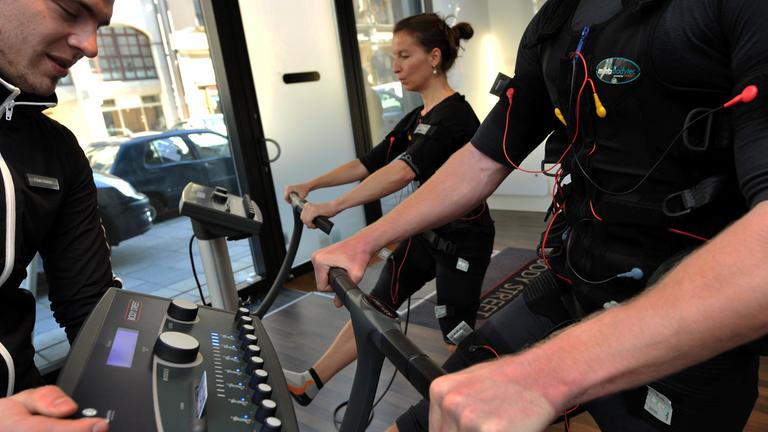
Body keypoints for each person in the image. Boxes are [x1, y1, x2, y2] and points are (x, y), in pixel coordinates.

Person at [311, 0, 768, 430]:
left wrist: (549, 372)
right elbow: (483, 158)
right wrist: (365, 240)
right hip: (573, 282)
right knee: (433, 411)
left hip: (683, 316)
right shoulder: (555, 22)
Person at [282, 13, 495, 407]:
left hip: (463, 240)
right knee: (375, 306)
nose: (395, 66)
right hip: (426, 231)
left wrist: (334, 205)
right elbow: (371, 161)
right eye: (394, 56)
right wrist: (311, 185)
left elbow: (401, 172)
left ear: (434, 57)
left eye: (404, 55)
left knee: (456, 332)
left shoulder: (455, 117)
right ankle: (310, 382)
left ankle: (481, 405)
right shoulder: (418, 117)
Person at [0, 1, 117, 431]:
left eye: (99, 26)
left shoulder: (58, 149)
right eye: (69, 8)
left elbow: (90, 306)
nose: (90, 46)